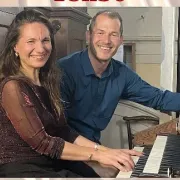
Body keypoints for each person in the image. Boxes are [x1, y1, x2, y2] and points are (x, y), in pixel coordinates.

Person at [0, 9, 142, 178]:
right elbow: (44, 143)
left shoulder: (46, 82)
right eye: (31, 41)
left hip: (51, 164)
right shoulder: (12, 86)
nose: (40, 48)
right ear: (15, 46)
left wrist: (109, 151)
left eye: (45, 40)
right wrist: (98, 155)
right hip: (22, 171)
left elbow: (64, 131)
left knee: (115, 171)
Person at [58, 10, 180, 144]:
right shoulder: (65, 70)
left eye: (113, 34)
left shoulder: (122, 74)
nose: (106, 40)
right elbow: (58, 129)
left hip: (93, 148)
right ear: (88, 36)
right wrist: (100, 153)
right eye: (100, 33)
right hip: (64, 150)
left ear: (121, 40)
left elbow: (159, 98)